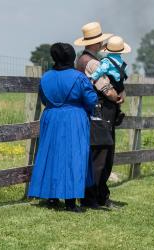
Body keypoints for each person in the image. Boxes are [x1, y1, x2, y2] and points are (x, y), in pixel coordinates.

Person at [28, 43, 98, 212]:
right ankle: (70, 202)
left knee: (51, 155)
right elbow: (91, 100)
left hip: (51, 117)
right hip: (74, 118)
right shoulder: (79, 77)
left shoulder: (46, 77)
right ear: (71, 57)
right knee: (74, 156)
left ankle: (52, 198)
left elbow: (44, 99)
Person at [75, 22, 124, 209]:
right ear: (97, 43)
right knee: (101, 156)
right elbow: (104, 87)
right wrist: (116, 96)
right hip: (101, 111)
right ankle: (93, 197)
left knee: (97, 154)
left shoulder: (82, 59)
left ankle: (96, 196)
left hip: (93, 111)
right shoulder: (93, 63)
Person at [90, 35, 131, 125]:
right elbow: (125, 73)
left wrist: (93, 77)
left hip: (111, 83)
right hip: (120, 85)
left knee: (107, 99)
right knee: (118, 100)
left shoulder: (106, 61)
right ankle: (118, 111)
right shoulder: (123, 63)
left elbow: (102, 70)